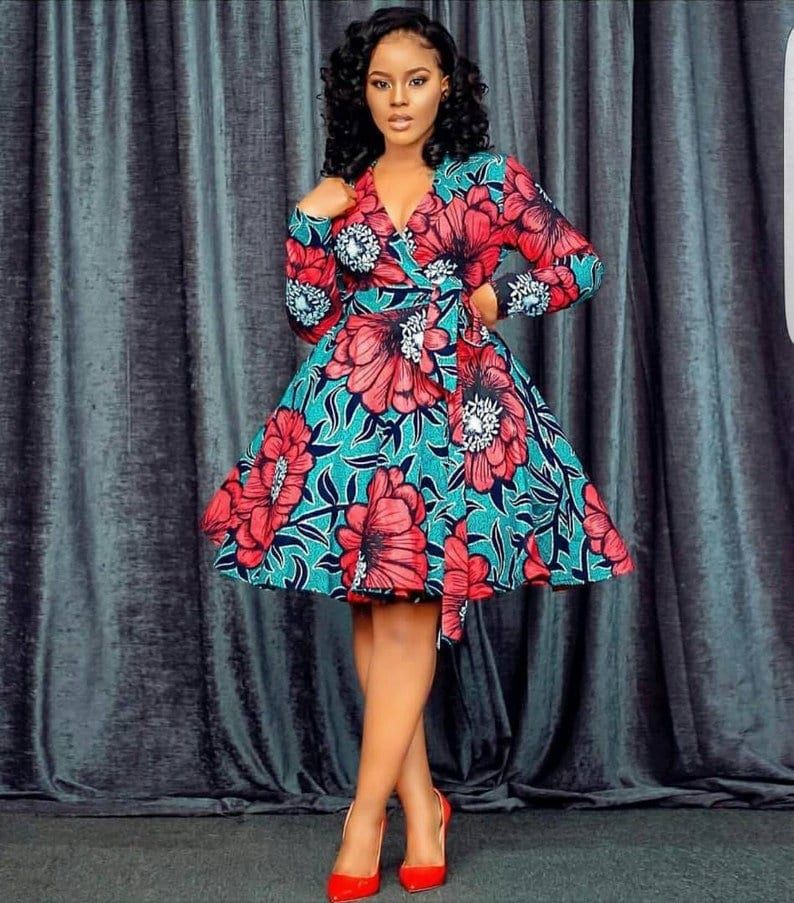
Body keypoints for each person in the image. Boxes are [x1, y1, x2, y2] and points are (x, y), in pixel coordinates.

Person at [199, 6, 635, 901]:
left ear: (447, 87)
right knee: (375, 608)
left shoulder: (486, 178)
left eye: (417, 80)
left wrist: (494, 300)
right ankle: (422, 806)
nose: (399, 98)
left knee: (403, 610)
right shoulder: (346, 186)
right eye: (381, 82)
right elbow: (309, 317)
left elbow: (578, 265)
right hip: (351, 408)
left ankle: (363, 822)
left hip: (448, 408)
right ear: (360, 94)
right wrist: (306, 224)